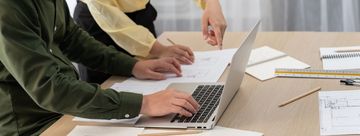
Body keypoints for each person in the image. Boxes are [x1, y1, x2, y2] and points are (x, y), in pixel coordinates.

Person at [0, 0, 199, 135]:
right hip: (33, 125)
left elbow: (71, 38)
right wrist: (144, 104)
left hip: (65, 112)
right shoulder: (7, 8)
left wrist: (132, 65)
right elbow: (50, 88)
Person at [73, 0, 227, 84]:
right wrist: (158, 49)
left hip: (140, 14)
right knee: (108, 91)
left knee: (155, 82)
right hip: (100, 24)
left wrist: (212, 4)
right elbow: (111, 19)